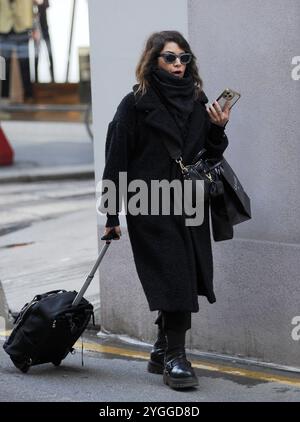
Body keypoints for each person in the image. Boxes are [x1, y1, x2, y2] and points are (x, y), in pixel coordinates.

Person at [101, 31, 231, 390]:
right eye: (170, 58)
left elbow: (210, 154)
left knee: (185, 276)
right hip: (150, 203)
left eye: (183, 59)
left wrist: (218, 129)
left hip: (189, 202)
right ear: (153, 61)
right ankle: (176, 356)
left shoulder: (197, 98)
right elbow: (116, 162)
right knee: (175, 276)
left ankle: (161, 348)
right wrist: (112, 217)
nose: (177, 65)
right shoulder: (135, 103)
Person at [0, 0, 36, 101]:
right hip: (4, 27)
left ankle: (29, 96)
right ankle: (4, 97)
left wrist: (33, 26)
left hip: (22, 26)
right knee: (4, 66)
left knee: (25, 64)